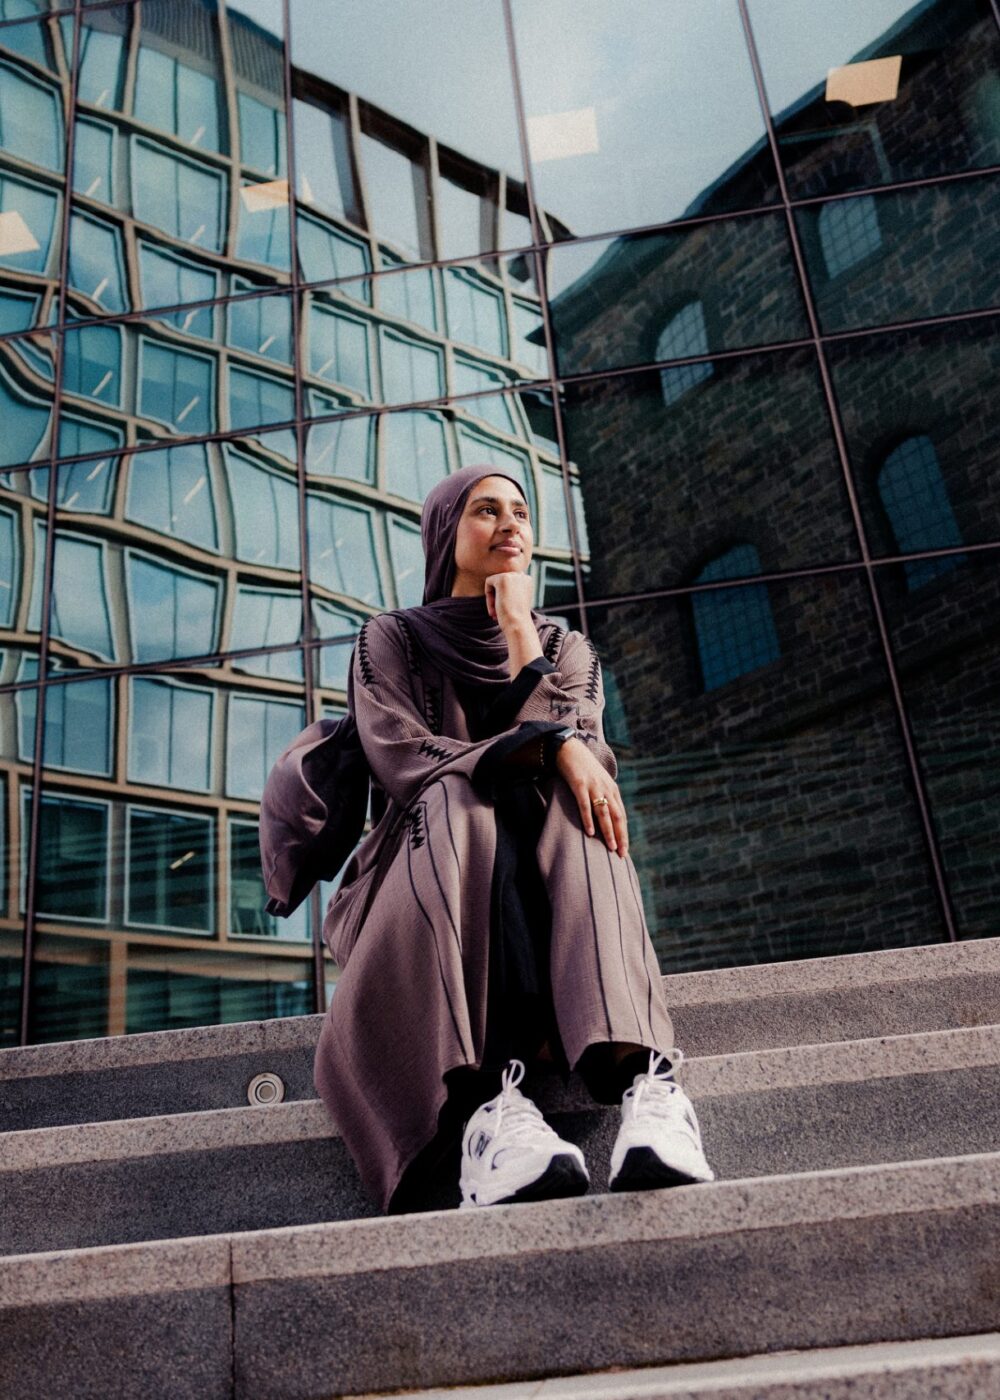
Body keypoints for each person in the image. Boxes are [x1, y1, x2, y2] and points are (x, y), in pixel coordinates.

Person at [313, 464, 714, 1212]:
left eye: (521, 512)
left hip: (552, 877)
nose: (510, 525)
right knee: (460, 795)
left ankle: (648, 1092)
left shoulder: (564, 645)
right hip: (425, 877)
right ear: (445, 533)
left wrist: (522, 637)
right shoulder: (390, 640)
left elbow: (590, 757)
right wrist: (550, 744)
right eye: (486, 510)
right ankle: (489, 1114)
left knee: (575, 802)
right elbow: (403, 757)